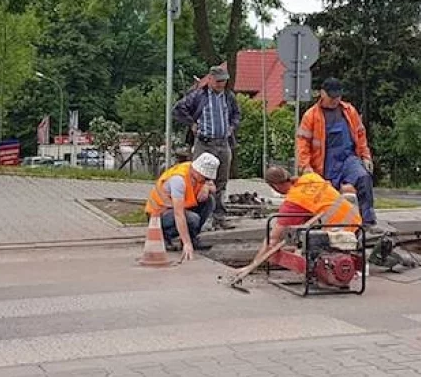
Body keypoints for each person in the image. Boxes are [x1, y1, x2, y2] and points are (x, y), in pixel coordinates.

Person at [235, 166, 362, 277]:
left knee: (302, 251)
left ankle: (324, 270)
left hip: (339, 230)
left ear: (275, 186)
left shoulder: (294, 201)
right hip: (355, 220)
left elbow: (273, 238)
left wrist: (253, 265)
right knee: (301, 241)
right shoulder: (311, 177)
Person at [296, 77, 380, 231]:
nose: (335, 100)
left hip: (348, 158)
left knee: (363, 177)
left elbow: (360, 135)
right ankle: (327, 227)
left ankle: (368, 222)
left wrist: (365, 156)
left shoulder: (349, 111)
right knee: (328, 197)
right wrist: (305, 166)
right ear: (322, 94)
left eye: (338, 96)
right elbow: (303, 144)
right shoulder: (311, 116)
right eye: (332, 96)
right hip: (325, 162)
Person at [173, 66, 241, 230]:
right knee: (200, 179)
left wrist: (232, 126)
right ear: (210, 79)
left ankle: (219, 216)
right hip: (204, 143)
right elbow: (178, 109)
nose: (221, 84)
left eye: (224, 81)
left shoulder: (228, 97)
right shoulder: (198, 96)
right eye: (218, 81)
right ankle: (201, 216)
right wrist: (192, 124)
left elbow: (236, 114)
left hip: (223, 142)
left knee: (221, 181)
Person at [145, 153, 220, 262]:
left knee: (210, 201)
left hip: (178, 209)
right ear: (198, 172)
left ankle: (192, 237)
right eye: (205, 178)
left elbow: (213, 188)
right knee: (193, 219)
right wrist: (186, 243)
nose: (207, 180)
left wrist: (206, 186)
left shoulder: (197, 174)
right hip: (158, 215)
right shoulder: (178, 180)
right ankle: (165, 237)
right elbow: (179, 214)